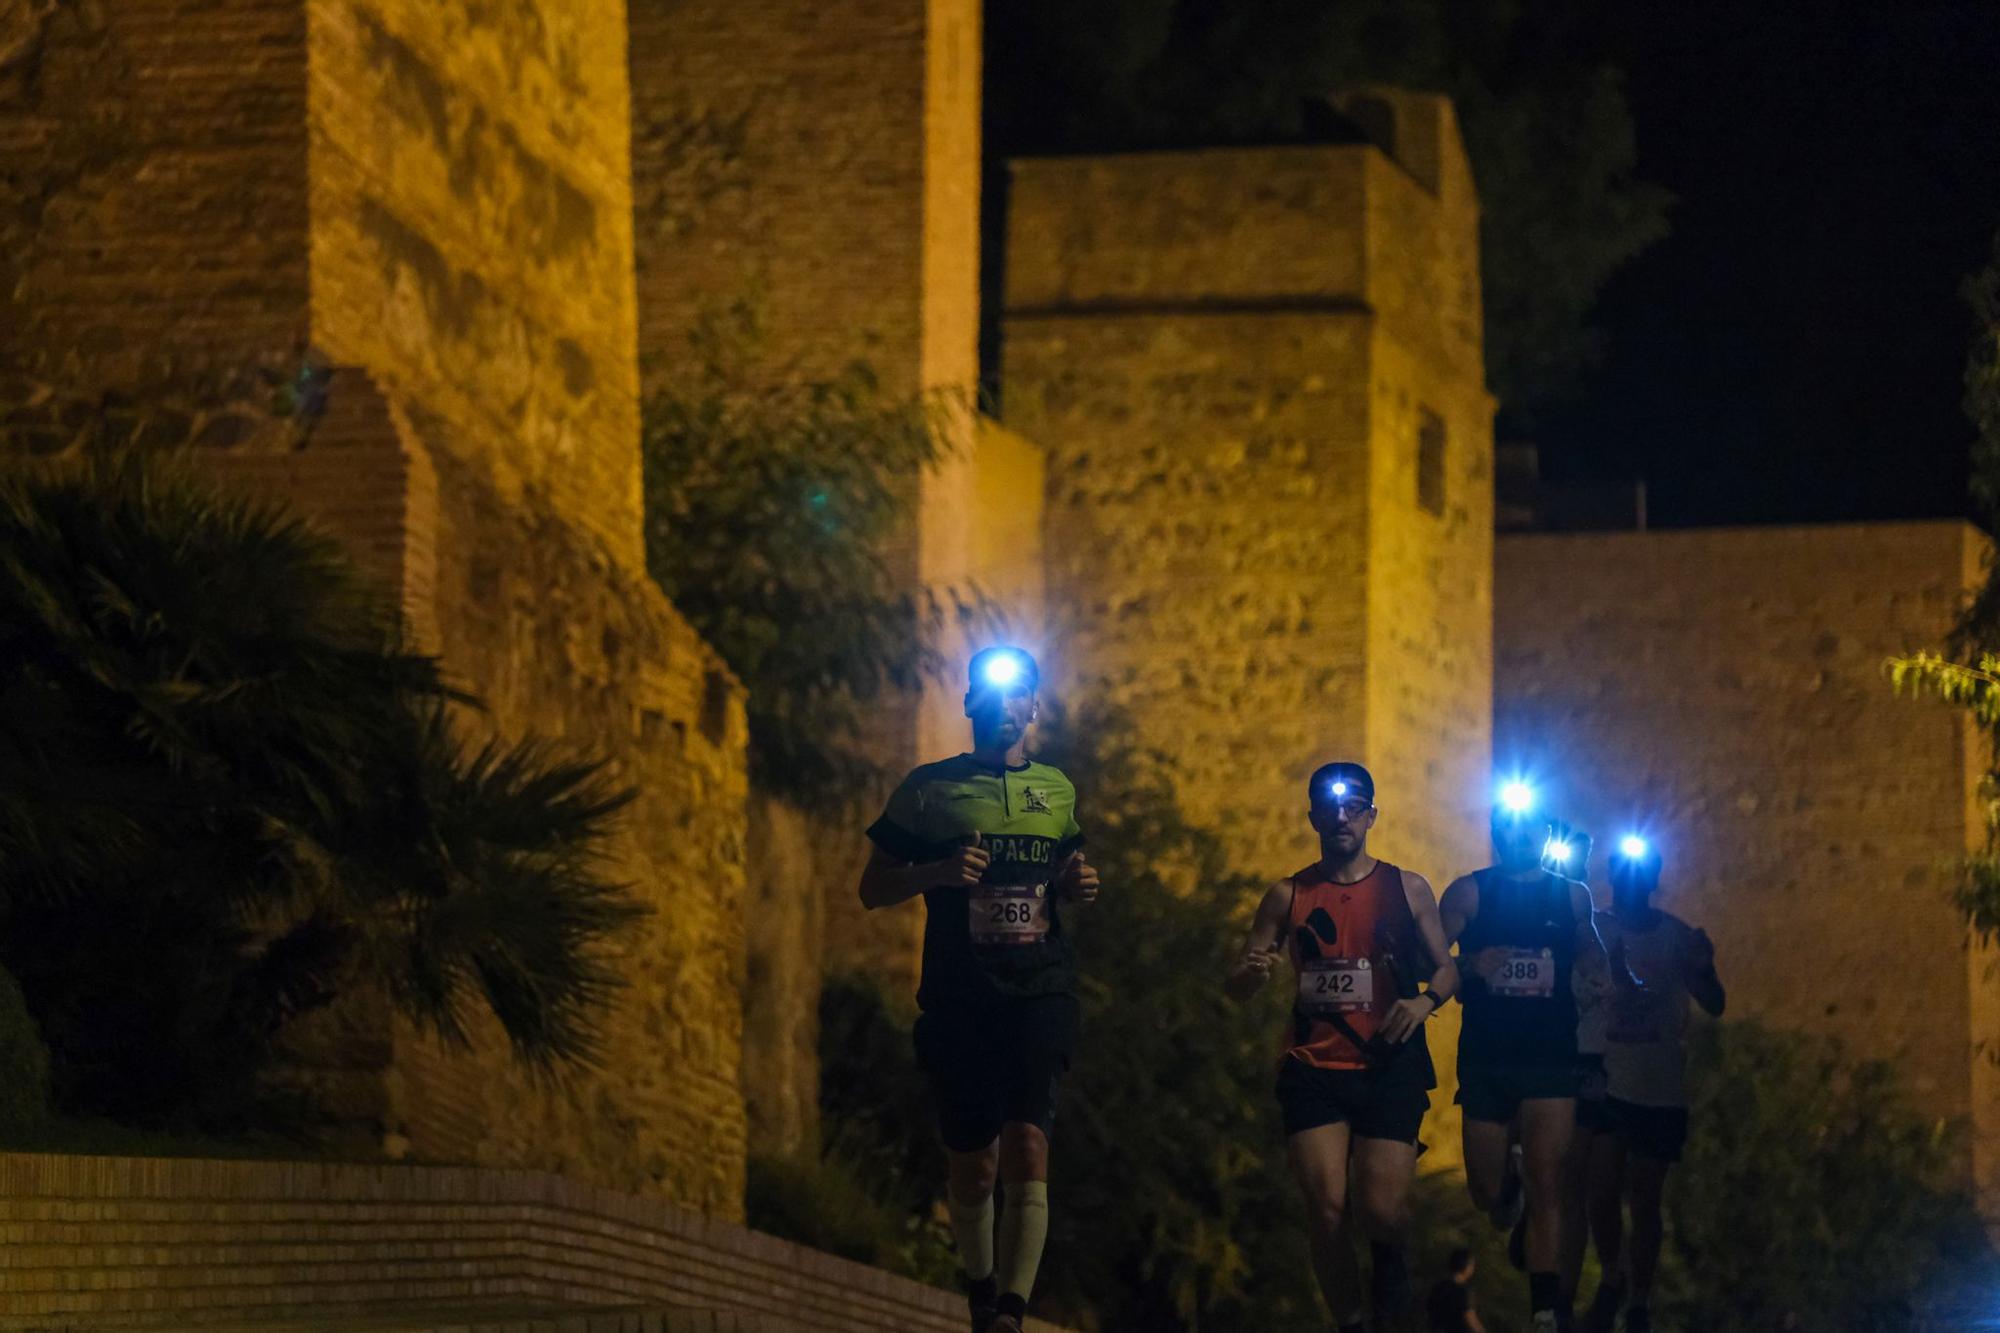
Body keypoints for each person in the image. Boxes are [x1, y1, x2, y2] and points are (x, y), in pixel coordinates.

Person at [856, 646, 1101, 1333]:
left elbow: (1068, 872)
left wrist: (1078, 884)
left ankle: (1012, 1313)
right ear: (970, 706)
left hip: (1042, 990)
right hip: (961, 995)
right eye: (990, 699)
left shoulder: (1056, 789)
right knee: (975, 1162)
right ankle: (982, 1285)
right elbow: (871, 887)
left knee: (1028, 1143)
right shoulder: (927, 788)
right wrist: (934, 870)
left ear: (1033, 709)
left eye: (1017, 697)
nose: (1004, 710)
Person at [1227, 762, 1459, 1333]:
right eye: (1329, 807)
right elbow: (1239, 983)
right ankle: (1352, 1321)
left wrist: (1425, 1001)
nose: (1341, 816)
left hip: (1388, 1064)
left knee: (1380, 1210)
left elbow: (1449, 971)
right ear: (1312, 817)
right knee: (1326, 1208)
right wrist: (1251, 975)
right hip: (1313, 1065)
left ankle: (1390, 1264)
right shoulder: (1287, 895)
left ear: (1372, 816)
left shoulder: (1407, 889)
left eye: (1354, 806)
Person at [1440, 784, 1615, 1333]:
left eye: (1526, 827)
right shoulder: (1468, 894)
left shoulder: (1570, 897)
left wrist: (1597, 976)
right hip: (1488, 1060)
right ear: (1495, 833)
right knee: (1487, 1194)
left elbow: (1591, 951)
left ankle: (1544, 1309)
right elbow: (1431, 963)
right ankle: (1505, 1188)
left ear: (1544, 834)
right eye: (1505, 827)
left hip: (1549, 1059)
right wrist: (1471, 968)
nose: (1516, 836)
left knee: (1550, 1183)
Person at [1580, 836, 1725, 1333]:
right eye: (1623, 874)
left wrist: (1704, 971)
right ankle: (1612, 1277)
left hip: (1660, 1088)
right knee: (1600, 1191)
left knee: (1645, 1201)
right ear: (1613, 878)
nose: (1630, 883)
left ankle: (1639, 1299)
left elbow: (1715, 1002)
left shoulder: (1676, 936)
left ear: (1652, 881)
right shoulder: (1593, 928)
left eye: (1640, 875)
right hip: (1607, 1080)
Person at [1426, 1248, 1487, 1333]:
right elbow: (1470, 1318)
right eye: (1472, 1265)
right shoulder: (1464, 1291)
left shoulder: (1438, 1287)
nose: (1473, 1268)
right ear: (1466, 1265)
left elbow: (1429, 1310)